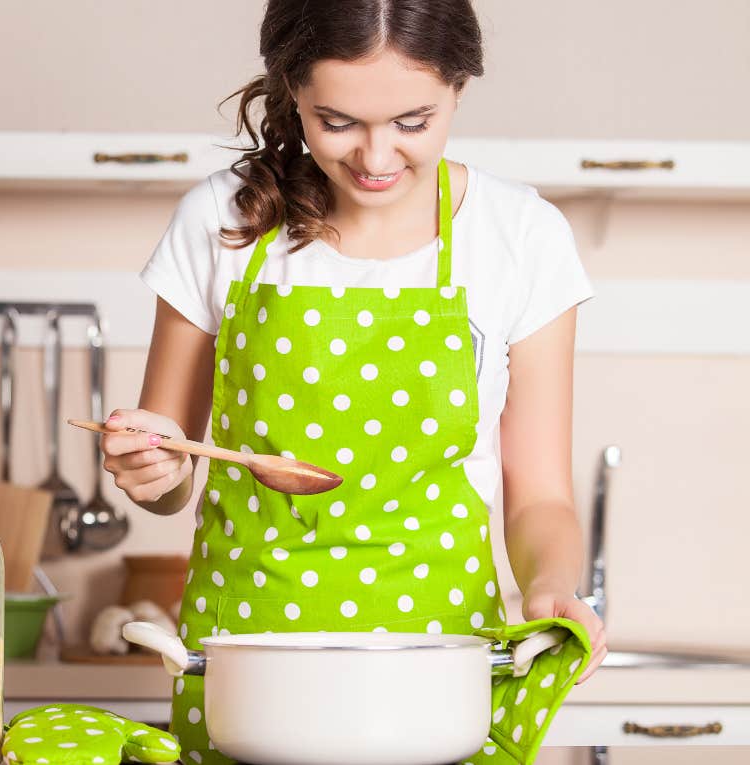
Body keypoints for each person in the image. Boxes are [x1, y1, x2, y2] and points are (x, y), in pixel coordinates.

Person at [100, 1, 609, 763]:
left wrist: (551, 588)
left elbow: (540, 495)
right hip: (246, 665)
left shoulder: (520, 237)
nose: (376, 156)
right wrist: (153, 463)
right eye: (338, 121)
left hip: (435, 674)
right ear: (293, 90)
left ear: (460, 90)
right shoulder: (222, 218)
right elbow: (170, 473)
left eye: (414, 121)